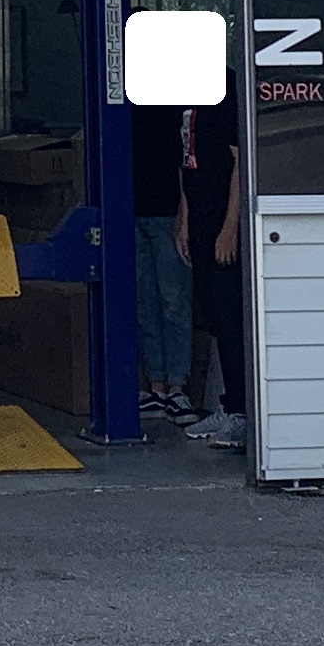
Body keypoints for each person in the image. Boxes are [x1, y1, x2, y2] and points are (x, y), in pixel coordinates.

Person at [183, 100, 249, 450]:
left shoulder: (227, 93)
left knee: (230, 316)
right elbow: (186, 161)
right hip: (199, 221)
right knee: (214, 315)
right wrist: (183, 219)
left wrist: (230, 229)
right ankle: (229, 403)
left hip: (222, 223)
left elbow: (242, 163)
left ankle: (242, 411)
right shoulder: (184, 100)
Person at [130, 105, 198, 421]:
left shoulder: (174, 105)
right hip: (134, 214)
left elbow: (185, 163)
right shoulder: (126, 106)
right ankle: (157, 386)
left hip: (168, 216)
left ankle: (177, 388)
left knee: (174, 303)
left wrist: (184, 217)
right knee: (145, 303)